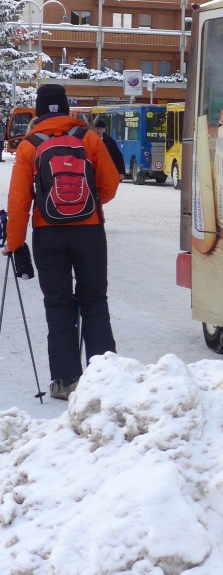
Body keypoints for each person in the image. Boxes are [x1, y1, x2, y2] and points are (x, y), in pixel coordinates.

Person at [3, 83, 121, 400]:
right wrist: (89, 203)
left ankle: (67, 380)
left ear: (39, 111)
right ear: (67, 109)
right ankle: (107, 380)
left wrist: (14, 243)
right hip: (90, 231)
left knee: (58, 306)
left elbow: (18, 202)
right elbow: (110, 184)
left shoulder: (29, 146)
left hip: (48, 233)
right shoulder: (89, 139)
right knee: (95, 301)